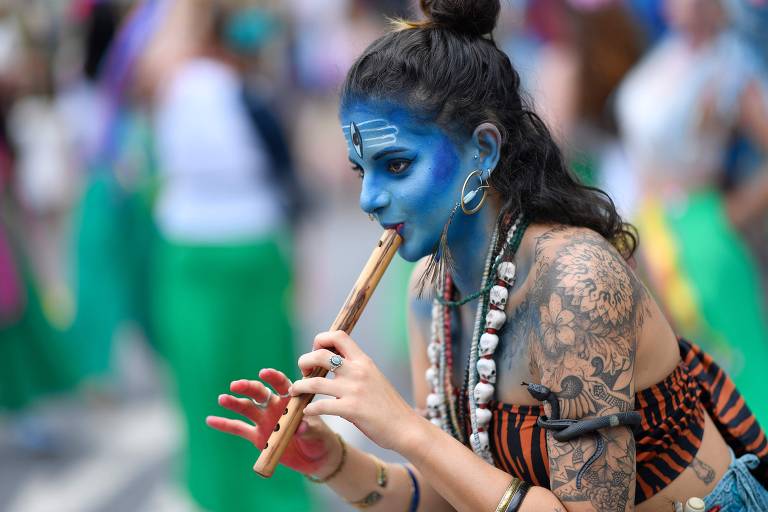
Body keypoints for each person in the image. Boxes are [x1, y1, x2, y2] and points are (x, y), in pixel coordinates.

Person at [208, 1, 768, 510]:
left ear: (484, 148)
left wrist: (404, 427)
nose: (369, 198)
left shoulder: (575, 283)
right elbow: (456, 495)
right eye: (363, 170)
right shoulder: (431, 291)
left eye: (397, 165)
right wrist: (333, 461)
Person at [148, 3, 310, 510]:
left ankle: (216, 494)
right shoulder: (241, 89)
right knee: (263, 383)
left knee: (206, 381)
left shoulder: (173, 80)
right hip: (248, 246)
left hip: (195, 248)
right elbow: (287, 171)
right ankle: (272, 492)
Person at [616, 0, 768, 426]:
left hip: (699, 233)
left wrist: (728, 213)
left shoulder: (730, 65)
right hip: (649, 230)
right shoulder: (666, 57)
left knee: (732, 361)